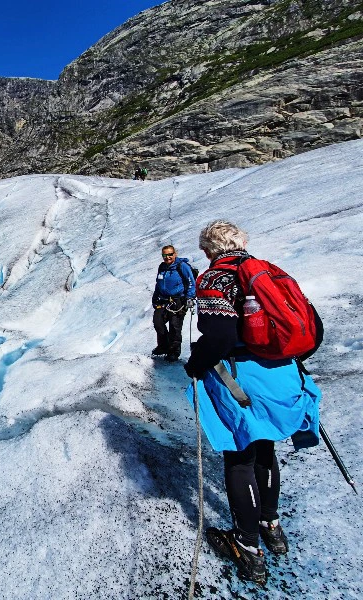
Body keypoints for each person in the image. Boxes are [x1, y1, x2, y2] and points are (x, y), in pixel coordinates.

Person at [183, 220, 322, 586]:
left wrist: (195, 366)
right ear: (242, 242)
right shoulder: (268, 272)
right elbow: (312, 327)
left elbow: (221, 336)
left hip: (242, 379)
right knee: (266, 451)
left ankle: (246, 546)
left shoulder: (216, 279)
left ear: (209, 250)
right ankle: (271, 526)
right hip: (282, 374)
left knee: (239, 458)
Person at [152, 245, 196, 361]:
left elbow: (191, 282)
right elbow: (159, 283)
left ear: (175, 254)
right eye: (164, 255)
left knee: (175, 326)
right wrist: (155, 297)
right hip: (163, 300)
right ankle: (163, 346)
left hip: (178, 300)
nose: (167, 257)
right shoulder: (162, 267)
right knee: (158, 322)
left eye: (170, 254)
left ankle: (173, 352)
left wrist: (189, 298)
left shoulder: (182, 266)